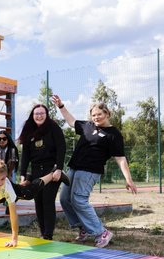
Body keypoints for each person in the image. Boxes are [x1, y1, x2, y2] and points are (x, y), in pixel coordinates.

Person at [52, 95, 138, 248]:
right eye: (93, 115)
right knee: (65, 199)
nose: (96, 117)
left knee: (79, 200)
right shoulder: (88, 126)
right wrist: (61, 106)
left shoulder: (113, 134)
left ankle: (101, 232)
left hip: (89, 171)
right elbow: (72, 122)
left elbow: (120, 158)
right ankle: (83, 227)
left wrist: (128, 179)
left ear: (107, 114)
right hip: (74, 167)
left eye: (99, 114)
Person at [0, 160, 68, 247]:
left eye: (3, 179)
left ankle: (53, 174)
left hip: (5, 194)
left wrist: (14, 240)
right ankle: (28, 178)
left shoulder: (6, 186)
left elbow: (13, 215)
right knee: (24, 189)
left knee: (28, 193)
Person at [18, 104, 66, 240]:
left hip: (51, 171)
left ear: (46, 114)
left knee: (47, 200)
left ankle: (48, 234)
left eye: (41, 113)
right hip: (35, 171)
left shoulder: (53, 127)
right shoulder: (28, 130)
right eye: (36, 114)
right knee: (38, 201)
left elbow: (61, 148)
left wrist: (59, 169)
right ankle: (43, 232)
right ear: (32, 116)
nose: (39, 116)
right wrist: (23, 174)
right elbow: (25, 155)